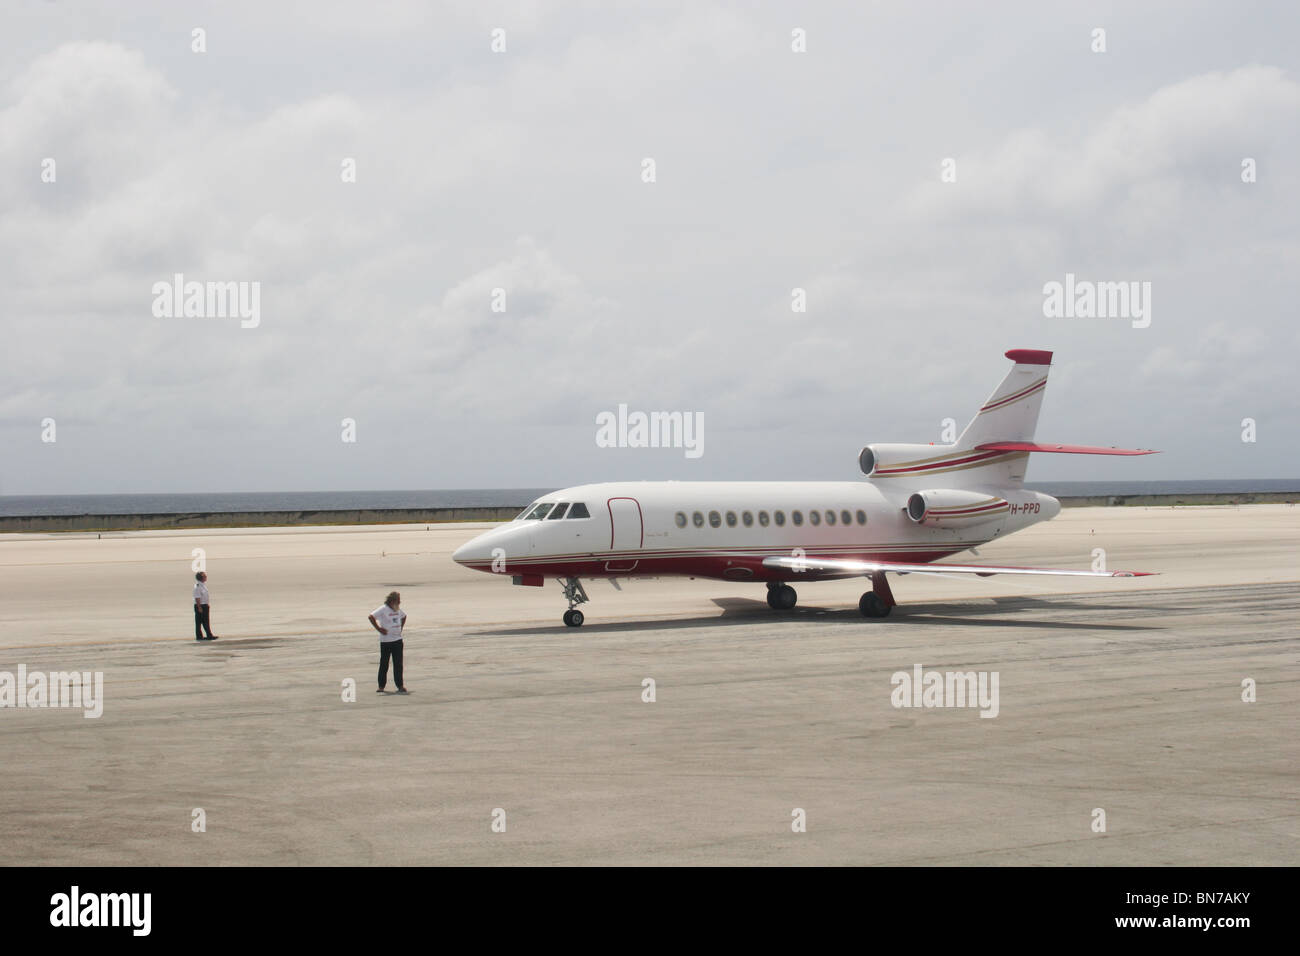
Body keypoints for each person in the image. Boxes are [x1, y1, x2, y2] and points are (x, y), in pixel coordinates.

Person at [368, 591, 407, 693]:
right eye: (398, 601)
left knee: (398, 664)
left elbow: (404, 616)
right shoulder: (383, 609)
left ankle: (400, 685)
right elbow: (371, 617)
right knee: (384, 664)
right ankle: (381, 686)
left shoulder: (397, 609)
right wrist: (379, 629)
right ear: (392, 601)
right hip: (386, 642)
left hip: (398, 640)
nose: (400, 603)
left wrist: (400, 628)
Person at [193, 571, 218, 641]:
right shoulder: (197, 586)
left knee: (206, 621)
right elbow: (197, 597)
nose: (206, 577)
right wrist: (199, 607)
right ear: (201, 578)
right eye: (204, 576)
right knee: (199, 622)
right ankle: (199, 636)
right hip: (200, 606)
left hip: (204, 605)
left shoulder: (203, 585)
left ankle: (209, 635)